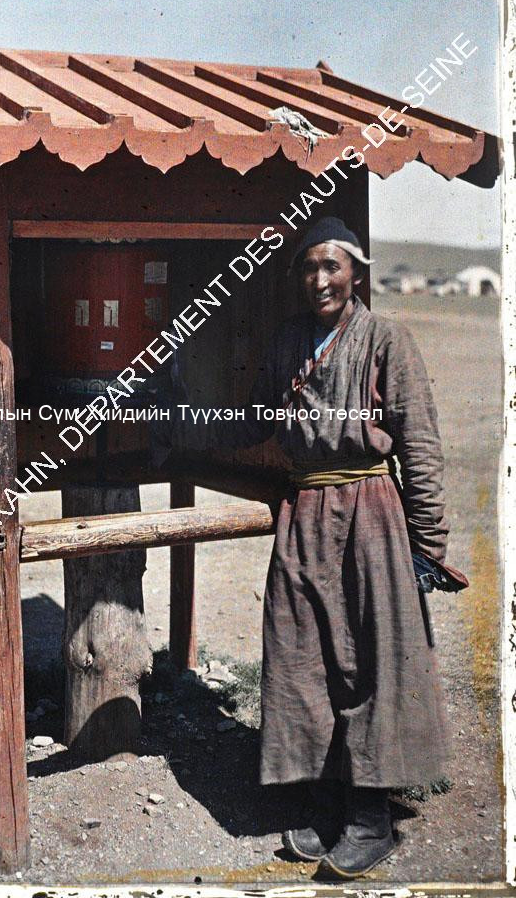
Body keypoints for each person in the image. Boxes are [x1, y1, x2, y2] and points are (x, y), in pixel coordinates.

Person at [156, 216, 468, 879]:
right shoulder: (289, 341)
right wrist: (183, 423)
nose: (319, 279)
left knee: (369, 659)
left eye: (332, 266)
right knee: (299, 656)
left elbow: (419, 446)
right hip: (302, 511)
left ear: (355, 271)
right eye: (308, 267)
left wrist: (427, 544)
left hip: (370, 512)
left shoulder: (386, 338)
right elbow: (256, 420)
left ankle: (369, 817)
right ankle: (320, 798)